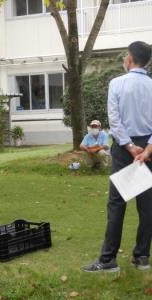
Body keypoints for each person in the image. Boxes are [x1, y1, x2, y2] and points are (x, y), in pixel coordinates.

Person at [83, 41, 152, 273]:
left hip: (125, 149)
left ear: (129, 58)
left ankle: (108, 260)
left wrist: (130, 147)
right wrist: (146, 150)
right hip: (149, 150)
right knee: (148, 206)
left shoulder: (117, 83)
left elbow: (114, 120)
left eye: (125, 57)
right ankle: (142, 256)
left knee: (116, 204)